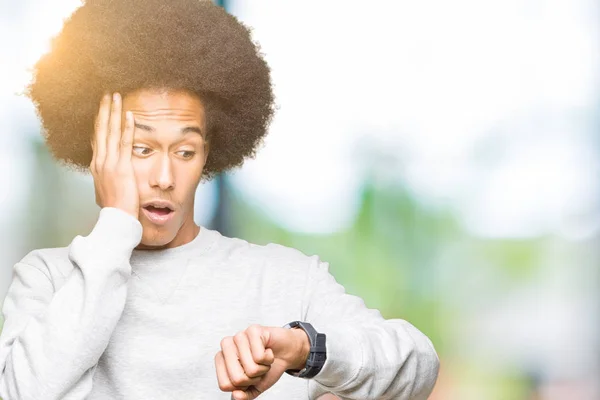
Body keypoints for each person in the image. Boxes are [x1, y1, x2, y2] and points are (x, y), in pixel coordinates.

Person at [0, 0, 440, 399]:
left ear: (208, 155)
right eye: (141, 149)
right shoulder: (48, 279)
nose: (165, 176)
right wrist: (115, 225)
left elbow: (418, 363)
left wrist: (306, 349)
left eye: (185, 152)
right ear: (100, 152)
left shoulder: (284, 280)